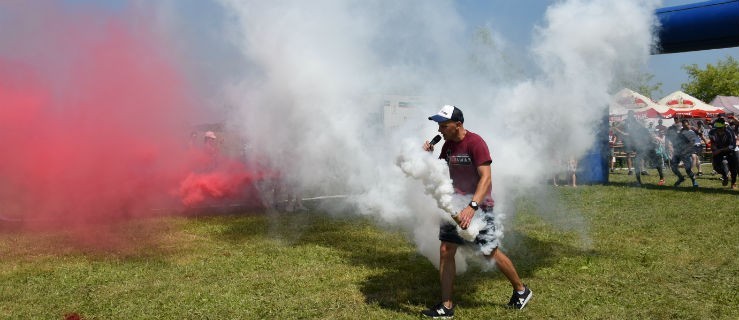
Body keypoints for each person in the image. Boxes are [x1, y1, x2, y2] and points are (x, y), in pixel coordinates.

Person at [421, 105, 532, 318]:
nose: (439, 130)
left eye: (443, 125)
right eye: (438, 125)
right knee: (446, 250)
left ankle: (521, 290)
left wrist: (472, 207)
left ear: (458, 125)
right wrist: (427, 157)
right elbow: (442, 173)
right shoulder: (447, 146)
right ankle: (446, 306)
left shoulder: (476, 143)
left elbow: (486, 177)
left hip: (478, 206)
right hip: (454, 204)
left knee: (488, 250)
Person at [667, 119, 700, 187]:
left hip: (685, 153)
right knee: (673, 167)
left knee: (688, 169)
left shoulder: (681, 135)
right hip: (677, 153)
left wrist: (686, 151)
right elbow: (671, 144)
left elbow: (691, 143)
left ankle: (694, 181)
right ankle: (681, 178)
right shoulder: (671, 136)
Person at [707, 118, 738, 189]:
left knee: (733, 168)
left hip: (730, 150)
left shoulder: (729, 132)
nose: (718, 129)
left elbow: (732, 146)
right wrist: (714, 149)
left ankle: (733, 183)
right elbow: (713, 142)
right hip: (718, 149)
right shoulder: (712, 132)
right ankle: (725, 176)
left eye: (720, 128)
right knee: (716, 167)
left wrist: (720, 150)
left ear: (724, 126)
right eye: (717, 128)